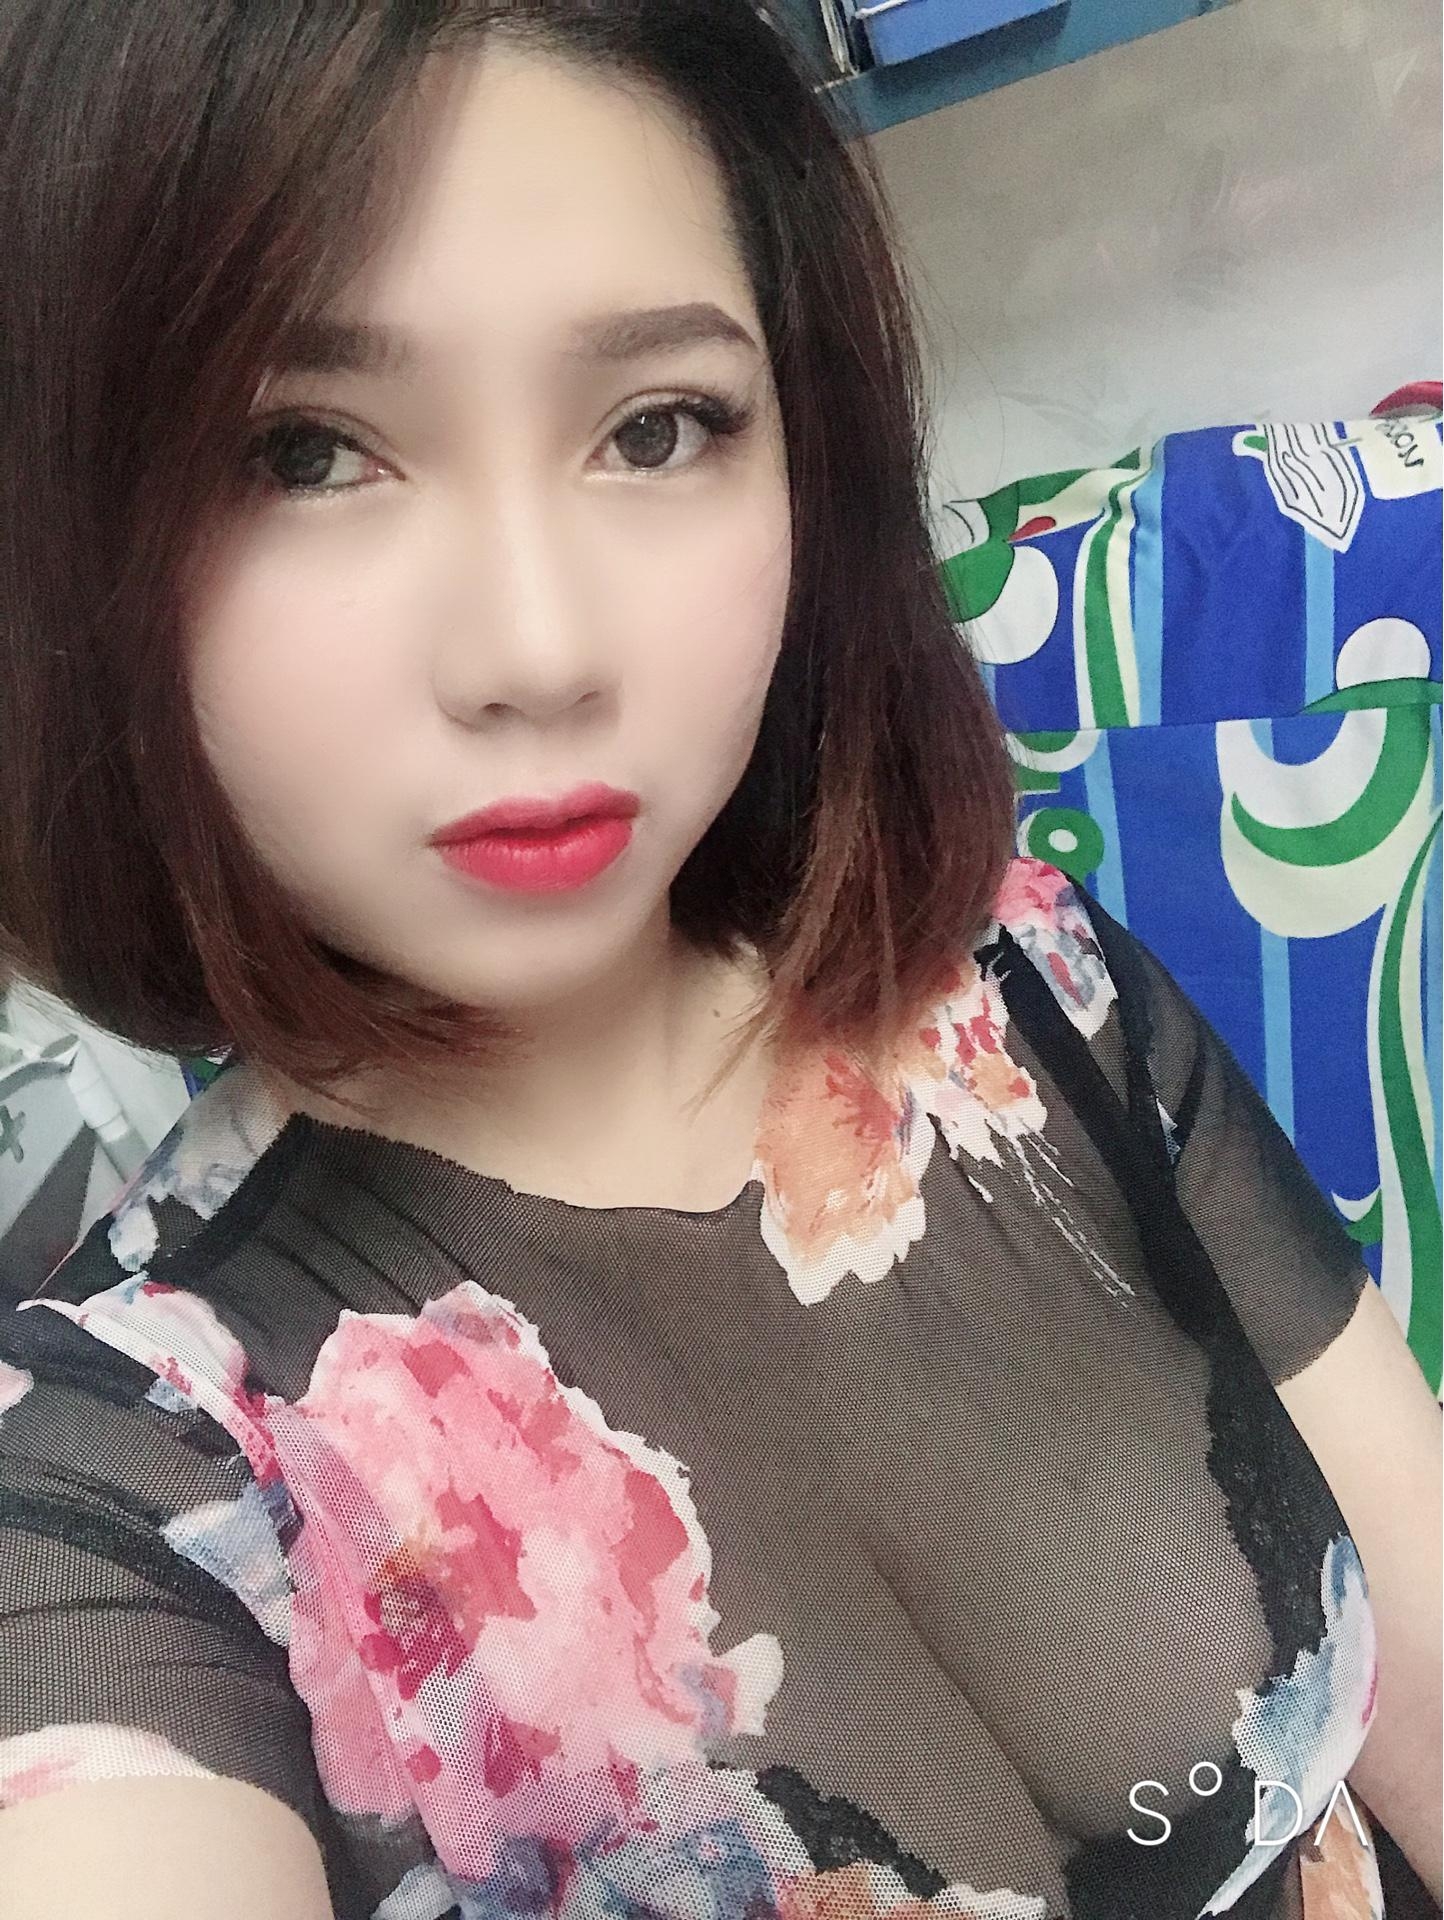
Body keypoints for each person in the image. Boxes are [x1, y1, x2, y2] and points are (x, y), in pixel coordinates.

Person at [0, 5, 1438, 1917]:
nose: (537, 650)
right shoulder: (131, 1486)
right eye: (308, 452)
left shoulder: (1030, 994)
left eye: (655, 428)